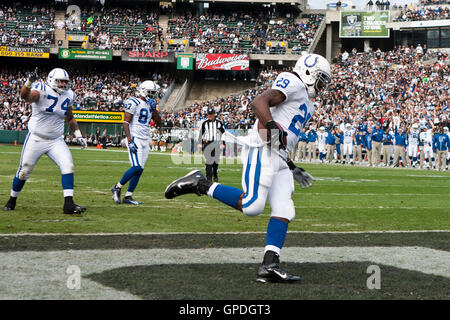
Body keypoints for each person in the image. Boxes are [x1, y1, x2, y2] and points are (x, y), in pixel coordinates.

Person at [165, 53, 331, 283]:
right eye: (320, 79)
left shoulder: (307, 101)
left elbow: (285, 136)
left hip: (279, 157)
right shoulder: (292, 81)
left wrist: (292, 166)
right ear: (308, 73)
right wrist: (272, 128)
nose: (322, 86)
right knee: (253, 205)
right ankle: (199, 183)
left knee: (285, 209)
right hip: (262, 148)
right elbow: (259, 102)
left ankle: (269, 266)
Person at [3, 68, 87, 214]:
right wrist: (29, 81)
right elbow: (25, 96)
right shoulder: (41, 89)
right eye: (60, 81)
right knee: (24, 171)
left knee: (68, 166)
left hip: (56, 140)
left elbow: (70, 117)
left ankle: (68, 204)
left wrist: (78, 134)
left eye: (65, 82)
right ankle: (12, 199)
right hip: (36, 138)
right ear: (51, 80)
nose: (62, 84)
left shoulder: (69, 95)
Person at [111, 80, 161, 205]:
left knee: (140, 170)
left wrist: (153, 108)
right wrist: (129, 140)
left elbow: (159, 122)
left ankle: (128, 196)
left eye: (154, 93)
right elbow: (126, 122)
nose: (153, 95)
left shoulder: (151, 104)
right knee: (136, 167)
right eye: (151, 92)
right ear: (143, 91)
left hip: (145, 138)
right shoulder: (133, 102)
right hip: (135, 138)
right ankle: (117, 187)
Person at [198, 107, 225, 182]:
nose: (209, 116)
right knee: (209, 160)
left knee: (215, 160)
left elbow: (224, 133)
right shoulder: (205, 123)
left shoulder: (219, 123)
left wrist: (223, 143)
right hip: (207, 143)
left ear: (214, 114)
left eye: (211, 114)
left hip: (216, 143)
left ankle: (215, 174)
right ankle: (208, 178)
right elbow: (201, 134)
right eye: (208, 114)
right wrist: (199, 143)